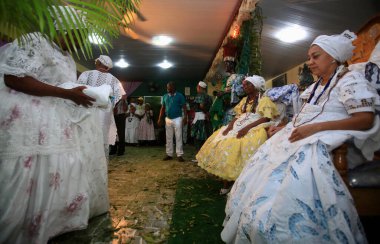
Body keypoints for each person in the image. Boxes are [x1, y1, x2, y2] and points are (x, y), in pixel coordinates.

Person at [221, 30, 380, 243]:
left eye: (316, 56)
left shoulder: (350, 80)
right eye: (309, 57)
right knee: (265, 162)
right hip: (303, 135)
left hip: (332, 143)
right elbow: (303, 117)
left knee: (297, 168)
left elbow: (365, 119)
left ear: (333, 58)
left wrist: (315, 129)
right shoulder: (315, 87)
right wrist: (285, 125)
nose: (310, 62)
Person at [0, 11, 109, 244]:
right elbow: (14, 78)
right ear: (65, 29)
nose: (81, 43)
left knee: (57, 170)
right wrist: (65, 93)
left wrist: (76, 94)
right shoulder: (36, 41)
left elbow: (61, 85)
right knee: (31, 171)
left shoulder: (67, 57)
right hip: (29, 119)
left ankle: (52, 222)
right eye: (80, 36)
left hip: (56, 121)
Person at [196, 76, 280, 194]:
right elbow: (237, 116)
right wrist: (229, 127)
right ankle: (227, 178)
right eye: (244, 85)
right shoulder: (244, 100)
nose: (244, 87)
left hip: (255, 126)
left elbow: (266, 117)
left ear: (255, 86)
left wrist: (247, 128)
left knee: (237, 145)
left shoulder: (264, 100)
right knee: (221, 139)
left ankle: (238, 182)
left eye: (247, 84)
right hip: (240, 124)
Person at [77, 55, 126, 155]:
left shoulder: (87, 74)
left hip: (88, 109)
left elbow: (78, 89)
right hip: (105, 113)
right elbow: (121, 96)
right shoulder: (115, 80)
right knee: (102, 137)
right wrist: (110, 103)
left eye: (96, 61)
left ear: (99, 63)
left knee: (87, 137)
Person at [157, 81, 187, 162]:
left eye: (168, 87)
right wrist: (160, 118)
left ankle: (179, 154)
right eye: (167, 87)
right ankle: (169, 154)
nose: (167, 88)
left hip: (178, 118)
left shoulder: (180, 95)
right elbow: (162, 108)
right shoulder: (165, 96)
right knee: (169, 137)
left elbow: (184, 107)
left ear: (173, 87)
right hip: (168, 119)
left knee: (178, 136)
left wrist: (185, 117)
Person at [190, 81, 213, 162]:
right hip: (207, 118)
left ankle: (199, 157)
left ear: (199, 87)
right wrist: (207, 113)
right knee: (206, 136)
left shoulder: (200, 95)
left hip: (199, 117)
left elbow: (201, 106)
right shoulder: (209, 97)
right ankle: (205, 156)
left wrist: (205, 112)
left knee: (198, 137)